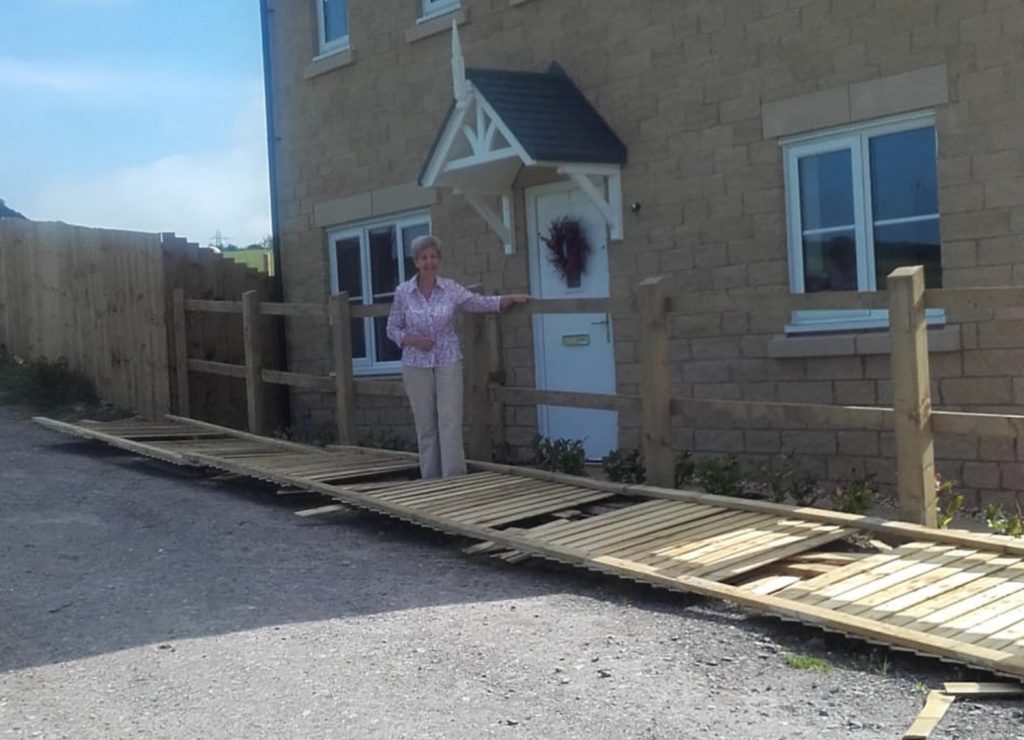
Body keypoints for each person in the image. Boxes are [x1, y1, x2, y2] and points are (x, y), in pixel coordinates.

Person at [386, 234, 530, 479]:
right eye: (424, 258)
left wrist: (508, 300)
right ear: (416, 262)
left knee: (450, 420)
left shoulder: (450, 288)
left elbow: (477, 303)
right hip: (415, 363)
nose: (429, 262)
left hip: (448, 360)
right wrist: (413, 340)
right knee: (426, 425)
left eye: (433, 257)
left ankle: (454, 479)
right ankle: (430, 479)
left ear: (439, 259)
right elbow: (392, 329)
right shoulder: (403, 292)